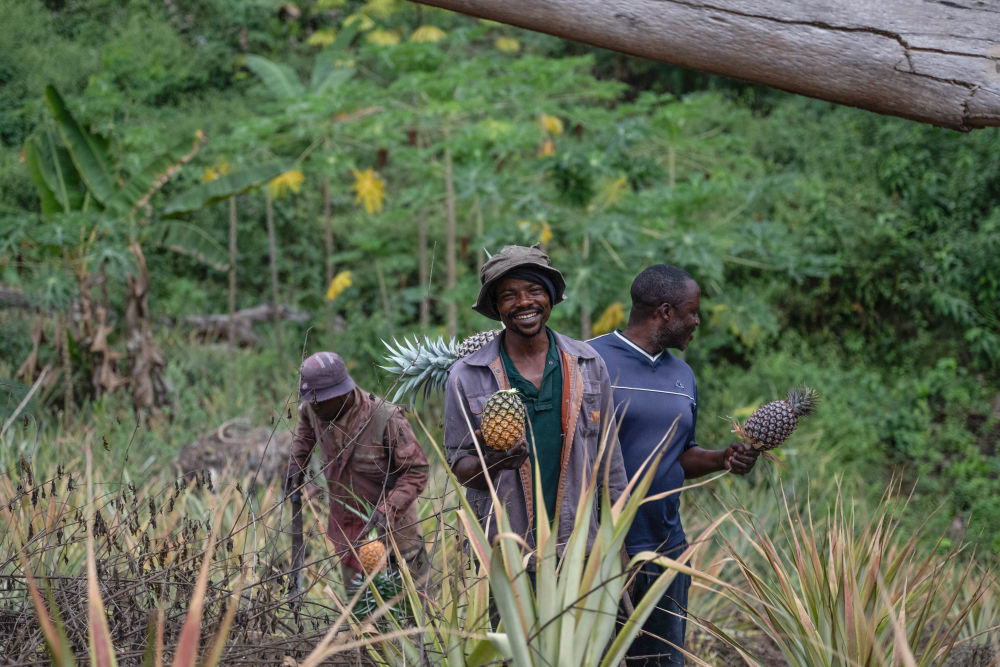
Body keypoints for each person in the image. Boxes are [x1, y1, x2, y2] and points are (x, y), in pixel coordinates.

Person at [588, 264, 760, 666]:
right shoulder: (590, 360)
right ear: (665, 312)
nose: (697, 320)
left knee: (663, 661)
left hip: (667, 551)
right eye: (692, 311)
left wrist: (722, 459)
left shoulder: (683, 374)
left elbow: (680, 454)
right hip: (603, 553)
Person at [443, 244, 628, 558]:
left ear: (551, 296)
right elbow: (459, 465)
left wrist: (617, 545)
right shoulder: (467, 375)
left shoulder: (588, 363)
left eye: (534, 290)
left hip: (579, 550)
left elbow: (610, 463)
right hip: (504, 553)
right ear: (497, 307)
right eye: (509, 295)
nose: (524, 302)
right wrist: (493, 463)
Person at [284, 351, 430, 585]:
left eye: (320, 401)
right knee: (362, 617)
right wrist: (295, 463)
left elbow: (416, 471)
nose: (314, 407)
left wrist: (388, 510)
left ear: (342, 394)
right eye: (311, 402)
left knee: (412, 615)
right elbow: (306, 431)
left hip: (397, 540)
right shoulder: (314, 410)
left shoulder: (386, 418)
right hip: (348, 539)